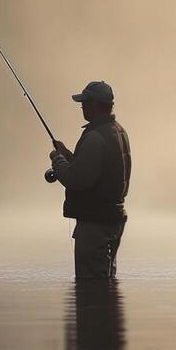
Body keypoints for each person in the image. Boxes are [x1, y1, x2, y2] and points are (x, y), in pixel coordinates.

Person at [50, 81, 131, 280]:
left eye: (85, 102)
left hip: (95, 224)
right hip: (112, 219)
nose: (82, 106)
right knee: (105, 281)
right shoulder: (118, 131)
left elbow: (76, 180)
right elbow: (97, 171)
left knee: (91, 282)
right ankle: (103, 311)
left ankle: (94, 311)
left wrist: (57, 159)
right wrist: (68, 155)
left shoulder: (95, 137)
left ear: (96, 104)